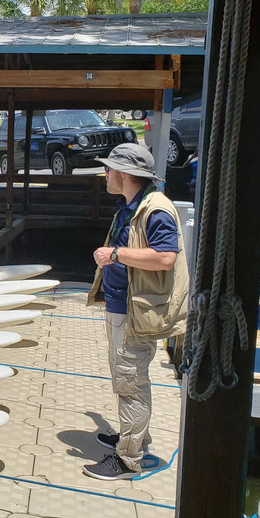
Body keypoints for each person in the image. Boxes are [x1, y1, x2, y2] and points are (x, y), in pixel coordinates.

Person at [84, 143, 189, 481]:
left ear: (126, 174)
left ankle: (129, 459)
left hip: (136, 312)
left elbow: (165, 258)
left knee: (130, 382)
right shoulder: (133, 205)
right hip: (123, 306)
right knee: (125, 377)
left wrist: (114, 255)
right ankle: (133, 437)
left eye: (110, 169)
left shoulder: (156, 209)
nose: (106, 175)